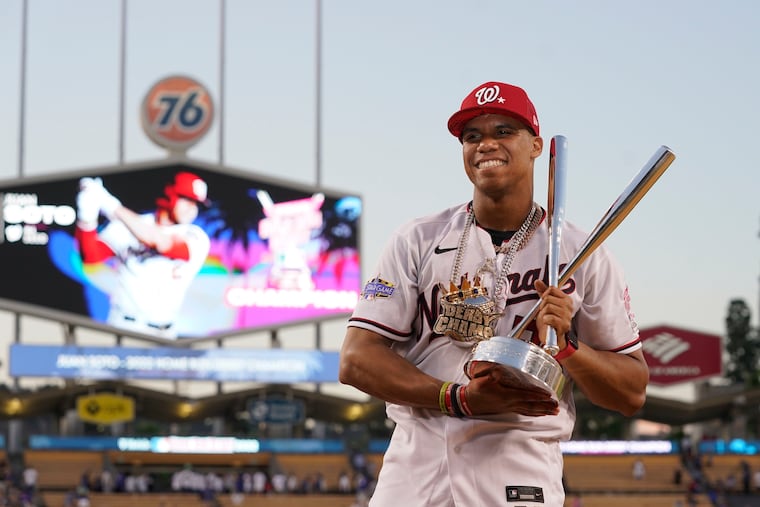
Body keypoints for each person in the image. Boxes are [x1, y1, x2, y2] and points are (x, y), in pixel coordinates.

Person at [339, 81, 649, 506]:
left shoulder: (583, 252)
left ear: (536, 145)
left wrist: (568, 347)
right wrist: (457, 398)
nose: (486, 144)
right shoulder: (417, 238)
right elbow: (356, 360)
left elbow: (630, 393)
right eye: (472, 136)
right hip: (416, 467)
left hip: (518, 468)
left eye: (504, 131)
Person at [75, 171, 211, 339]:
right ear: (170, 195)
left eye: (197, 204)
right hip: (124, 327)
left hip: (164, 333)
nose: (192, 208)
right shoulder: (131, 225)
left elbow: (160, 242)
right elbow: (90, 256)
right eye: (187, 199)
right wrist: (86, 216)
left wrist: (110, 205)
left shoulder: (195, 236)